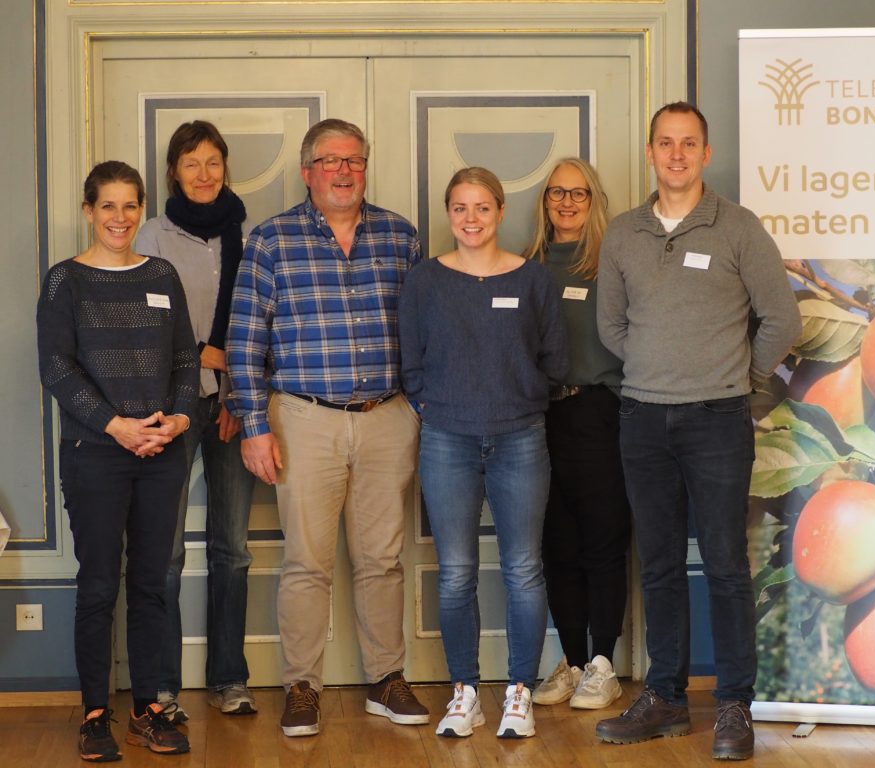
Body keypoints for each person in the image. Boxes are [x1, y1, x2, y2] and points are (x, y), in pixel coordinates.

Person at [594, 102, 801, 760]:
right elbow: (611, 328)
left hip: (717, 419)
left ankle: (735, 706)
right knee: (656, 567)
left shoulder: (737, 228)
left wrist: (739, 376)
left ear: (706, 154)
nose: (677, 154)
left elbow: (782, 320)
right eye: (665, 143)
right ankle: (666, 699)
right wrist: (662, 368)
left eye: (689, 144)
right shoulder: (624, 233)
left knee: (726, 566)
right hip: (643, 418)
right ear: (650, 152)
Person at [225, 118, 427, 737]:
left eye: (354, 161)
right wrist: (255, 426)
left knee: (382, 561)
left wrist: (418, 408)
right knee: (306, 564)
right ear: (308, 171)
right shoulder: (272, 241)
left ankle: (386, 680)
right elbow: (244, 342)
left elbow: (428, 330)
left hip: (386, 418)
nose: (344, 172)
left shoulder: (401, 236)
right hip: (303, 420)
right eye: (331, 161)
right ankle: (302, 687)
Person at [399, 167, 569, 740]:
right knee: (455, 574)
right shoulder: (424, 282)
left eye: (482, 208)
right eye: (460, 208)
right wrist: (435, 405)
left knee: (523, 569)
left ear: (499, 211)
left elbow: (556, 359)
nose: (471, 219)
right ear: (449, 214)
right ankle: (464, 693)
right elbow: (411, 362)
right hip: (447, 438)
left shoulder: (534, 281)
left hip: (520, 438)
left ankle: (519, 691)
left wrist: (520, 399)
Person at [37, 161, 199, 761]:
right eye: (108, 205)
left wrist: (179, 420)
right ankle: (96, 715)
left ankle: (149, 710)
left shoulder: (162, 274)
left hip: (162, 450)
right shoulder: (65, 282)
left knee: (154, 585)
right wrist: (116, 426)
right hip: (95, 455)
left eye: (131, 206)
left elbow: (185, 356)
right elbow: (57, 367)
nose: (120, 217)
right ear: (88, 211)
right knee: (100, 585)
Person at [136, 120, 257, 721]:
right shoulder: (152, 237)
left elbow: (263, 324)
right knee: (166, 553)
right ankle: (162, 687)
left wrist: (238, 389)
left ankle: (229, 679)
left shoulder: (249, 235)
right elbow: (147, 326)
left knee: (231, 549)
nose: (204, 174)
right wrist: (205, 356)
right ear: (173, 173)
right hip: (173, 407)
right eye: (192, 164)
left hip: (237, 405)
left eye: (213, 162)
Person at [523, 159, 630, 711]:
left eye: (578, 193)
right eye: (556, 193)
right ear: (544, 201)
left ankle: (604, 664)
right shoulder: (527, 266)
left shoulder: (612, 263)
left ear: (595, 200)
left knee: (602, 542)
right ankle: (569, 661)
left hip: (599, 414)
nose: (566, 202)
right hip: (541, 419)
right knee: (557, 547)